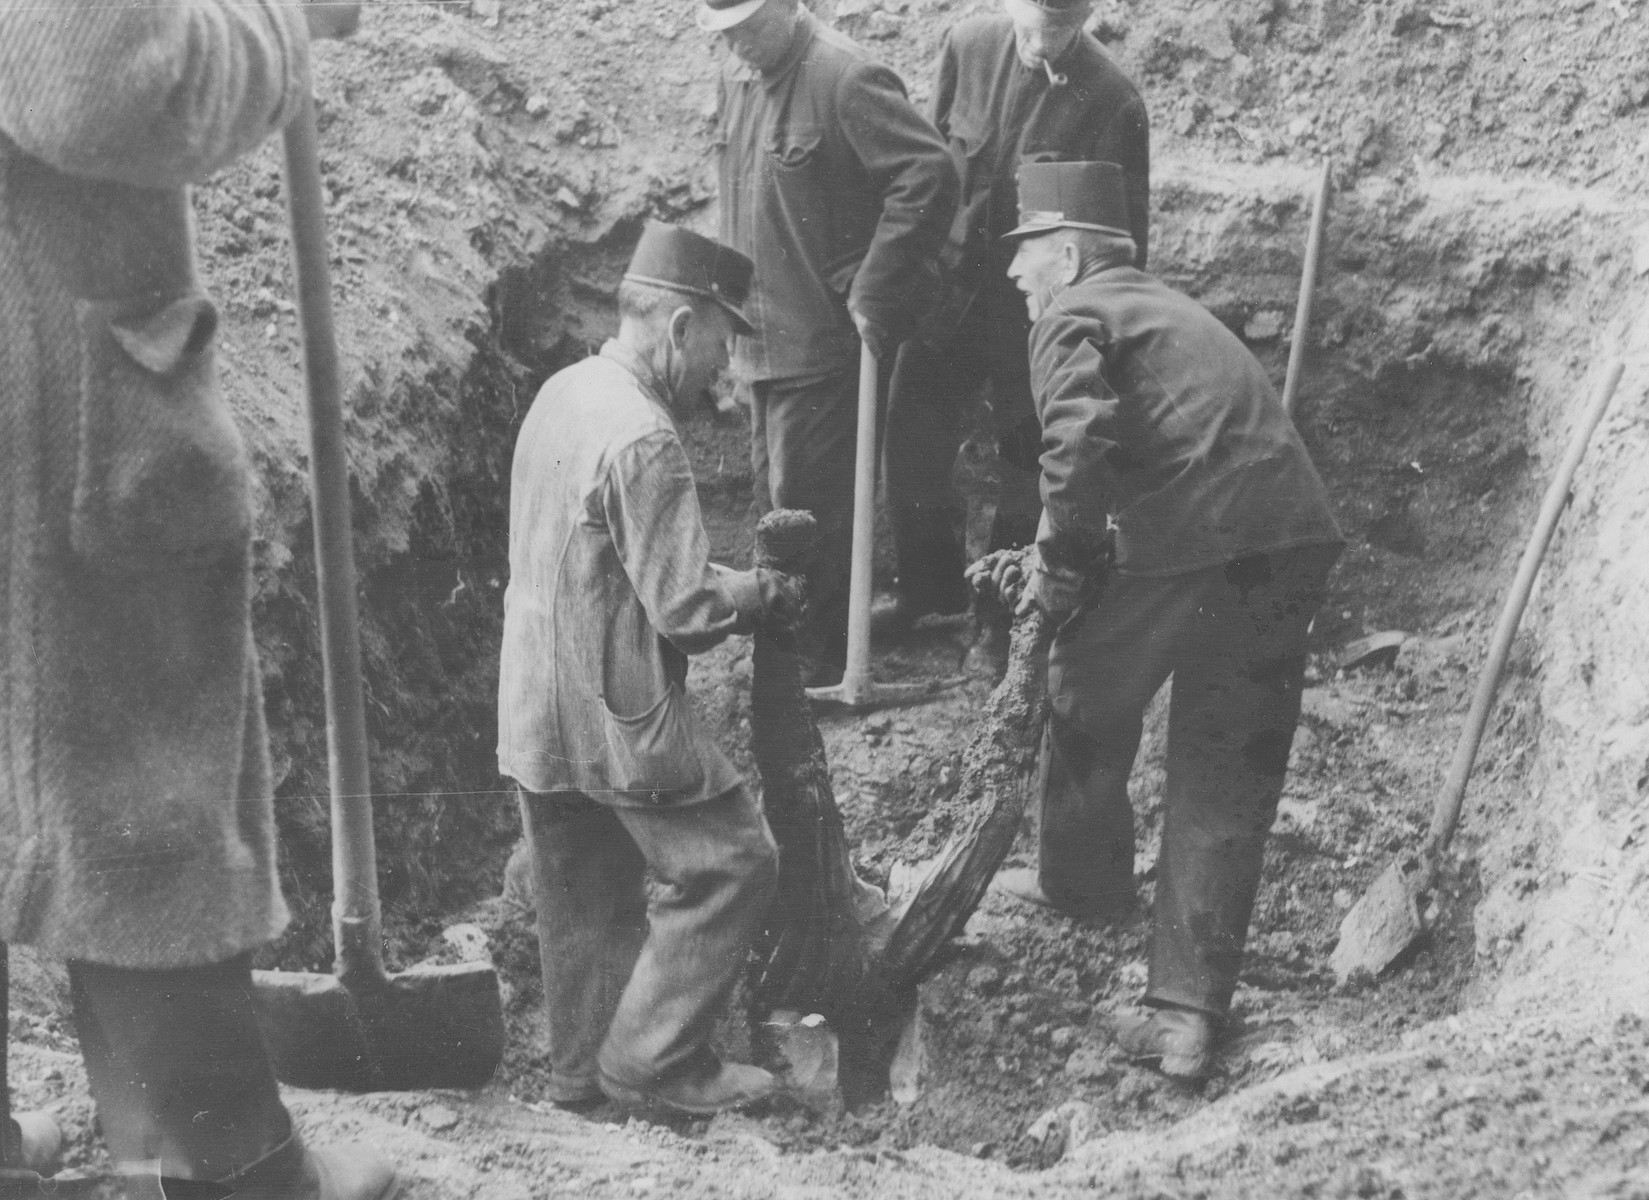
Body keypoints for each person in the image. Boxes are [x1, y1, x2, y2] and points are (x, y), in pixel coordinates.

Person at [0, 1, 397, 1196]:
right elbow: (97, 87)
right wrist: (281, 26)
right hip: (58, 380)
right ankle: (238, 1167)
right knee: (135, 776)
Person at [983, 162, 1344, 1081]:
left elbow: (1075, 444)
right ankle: (1185, 1017)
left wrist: (1058, 572)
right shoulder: (1162, 311)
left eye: (1025, 255)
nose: (1015, 275)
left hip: (1195, 540)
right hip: (1289, 537)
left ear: (1065, 254)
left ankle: (1079, 883)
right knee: (1227, 761)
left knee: (1077, 692)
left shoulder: (1072, 315)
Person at [498, 223, 799, 1115]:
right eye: (718, 342)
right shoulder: (644, 436)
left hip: (532, 705)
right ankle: (653, 1065)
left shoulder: (564, 391)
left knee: (580, 890)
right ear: (677, 326)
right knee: (732, 864)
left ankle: (582, 1077)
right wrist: (758, 593)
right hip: (615, 712)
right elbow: (687, 610)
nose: (723, 369)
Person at [702, 0, 958, 685]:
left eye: (750, 27)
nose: (738, 44)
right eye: (724, 32)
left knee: (807, 506)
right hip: (755, 340)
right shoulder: (736, 75)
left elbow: (929, 176)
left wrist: (875, 285)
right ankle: (786, 643)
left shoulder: (846, 77)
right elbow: (734, 202)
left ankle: (812, 667)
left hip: (822, 341)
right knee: (771, 506)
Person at [877, 0, 1149, 642]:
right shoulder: (967, 45)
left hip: (1037, 315)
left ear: (1082, 20)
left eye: (1055, 33)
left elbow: (1121, 241)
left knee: (1028, 464)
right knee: (908, 427)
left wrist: (1088, 336)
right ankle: (931, 590)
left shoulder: (1113, 100)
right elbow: (932, 169)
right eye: (1028, 26)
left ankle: (998, 618)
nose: (1037, 45)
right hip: (952, 298)